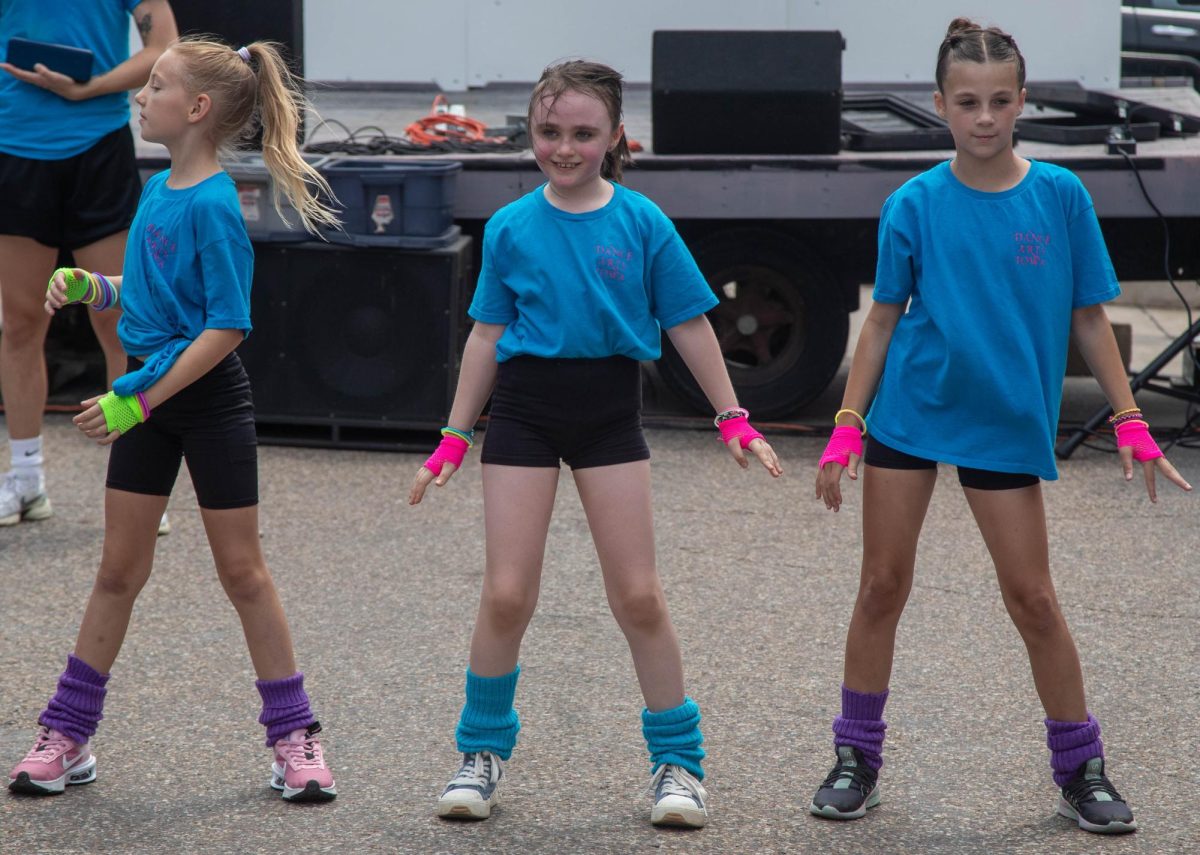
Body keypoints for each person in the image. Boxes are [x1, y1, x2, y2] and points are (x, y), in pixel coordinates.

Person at [809, 18, 1191, 835]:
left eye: (1000, 101)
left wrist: (1131, 420)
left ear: (1021, 103)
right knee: (881, 587)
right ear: (942, 105)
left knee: (1034, 598)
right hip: (911, 416)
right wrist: (848, 424)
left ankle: (1080, 769)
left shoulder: (1059, 197)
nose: (984, 117)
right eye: (967, 102)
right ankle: (856, 757)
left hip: (1007, 423)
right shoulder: (913, 202)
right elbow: (881, 322)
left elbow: (1091, 319)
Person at [409, 59, 782, 828]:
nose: (566, 148)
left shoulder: (643, 222)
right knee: (507, 592)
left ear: (615, 136)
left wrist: (732, 415)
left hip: (610, 413)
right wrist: (452, 435)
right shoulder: (511, 227)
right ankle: (479, 752)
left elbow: (687, 321)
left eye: (584, 133)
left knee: (638, 595)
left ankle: (679, 764)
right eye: (550, 132)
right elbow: (486, 334)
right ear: (531, 133)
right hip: (523, 414)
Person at [7, 37, 342, 803]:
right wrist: (93, 287)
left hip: (205, 403)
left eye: (154, 85)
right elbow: (158, 299)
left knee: (243, 573)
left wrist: (141, 399)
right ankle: (68, 734)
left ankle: (295, 739)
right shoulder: (157, 191)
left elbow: (225, 327)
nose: (139, 93)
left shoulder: (218, 205)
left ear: (195, 110)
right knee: (118, 571)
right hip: (149, 404)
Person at [0, 0, 176, 533]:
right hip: (15, 150)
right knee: (21, 322)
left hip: (98, 151)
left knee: (121, 321)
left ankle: (139, 482)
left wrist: (88, 87)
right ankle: (25, 479)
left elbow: (164, 48)